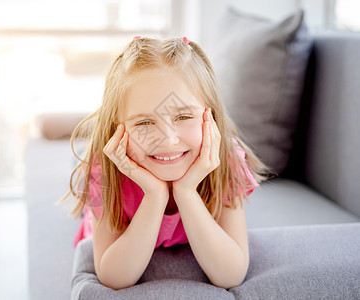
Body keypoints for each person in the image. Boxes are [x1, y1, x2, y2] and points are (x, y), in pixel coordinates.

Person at [61, 36, 269, 290]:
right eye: (145, 122)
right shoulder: (101, 171)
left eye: (183, 116)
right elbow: (114, 277)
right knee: (87, 163)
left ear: (211, 116)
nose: (169, 140)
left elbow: (230, 274)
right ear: (117, 127)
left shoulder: (226, 159)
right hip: (123, 170)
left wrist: (185, 191)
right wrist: (154, 195)